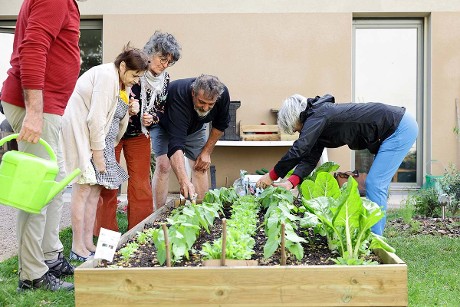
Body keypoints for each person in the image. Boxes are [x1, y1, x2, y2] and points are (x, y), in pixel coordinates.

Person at [0, 0, 84, 292]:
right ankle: (32, 275)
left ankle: (49, 256)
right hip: (38, 107)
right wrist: (34, 112)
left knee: (55, 185)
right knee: (36, 193)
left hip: (49, 107)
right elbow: (33, 50)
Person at [256, 94, 418, 235]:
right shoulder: (318, 119)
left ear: (295, 118)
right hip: (393, 128)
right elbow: (310, 157)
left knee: (375, 184)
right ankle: (374, 233)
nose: (298, 132)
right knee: (377, 184)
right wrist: (291, 182)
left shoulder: (318, 115)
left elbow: (300, 148)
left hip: (399, 128)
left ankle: (375, 238)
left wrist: (272, 176)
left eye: (295, 128)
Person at [60, 45, 149, 262]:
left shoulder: (121, 82)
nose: (137, 81)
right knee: (82, 190)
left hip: (99, 141)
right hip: (85, 138)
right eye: (135, 75)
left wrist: (128, 108)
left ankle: (89, 243)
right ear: (123, 66)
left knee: (93, 193)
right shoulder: (107, 77)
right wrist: (98, 156)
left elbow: (111, 114)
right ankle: (77, 246)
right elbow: (95, 119)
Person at [93, 31, 181, 235]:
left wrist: (153, 118)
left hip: (139, 135)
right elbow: (108, 99)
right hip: (112, 133)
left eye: (169, 62)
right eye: (162, 59)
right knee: (108, 182)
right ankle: (106, 232)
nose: (164, 65)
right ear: (151, 53)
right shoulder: (132, 66)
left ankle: (139, 229)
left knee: (141, 182)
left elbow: (161, 109)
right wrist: (127, 108)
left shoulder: (165, 79)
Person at [151, 74, 231, 207]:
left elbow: (220, 125)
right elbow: (176, 144)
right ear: (193, 93)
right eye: (202, 102)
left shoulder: (223, 93)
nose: (205, 108)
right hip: (165, 125)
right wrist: (183, 181)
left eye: (210, 104)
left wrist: (206, 152)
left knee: (200, 165)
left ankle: (200, 213)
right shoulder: (179, 94)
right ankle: (158, 215)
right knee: (164, 165)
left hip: (196, 126)